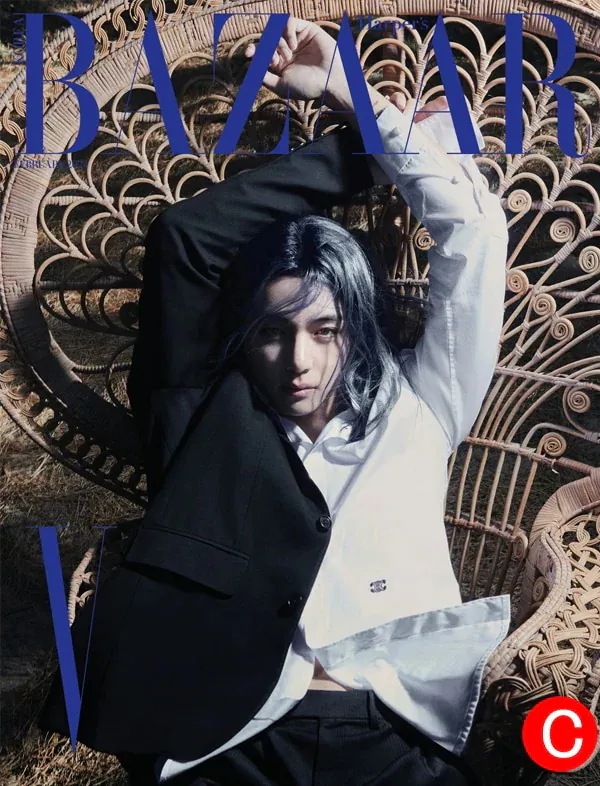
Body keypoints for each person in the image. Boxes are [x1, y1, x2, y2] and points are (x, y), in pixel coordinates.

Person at [39, 16, 510, 786]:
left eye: (326, 330)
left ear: (358, 327)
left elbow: (474, 232)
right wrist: (361, 157)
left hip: (391, 737)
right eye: (271, 334)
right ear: (242, 338)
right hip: (234, 741)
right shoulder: (205, 423)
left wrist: (356, 98)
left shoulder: (423, 407)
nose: (299, 361)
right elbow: (186, 239)